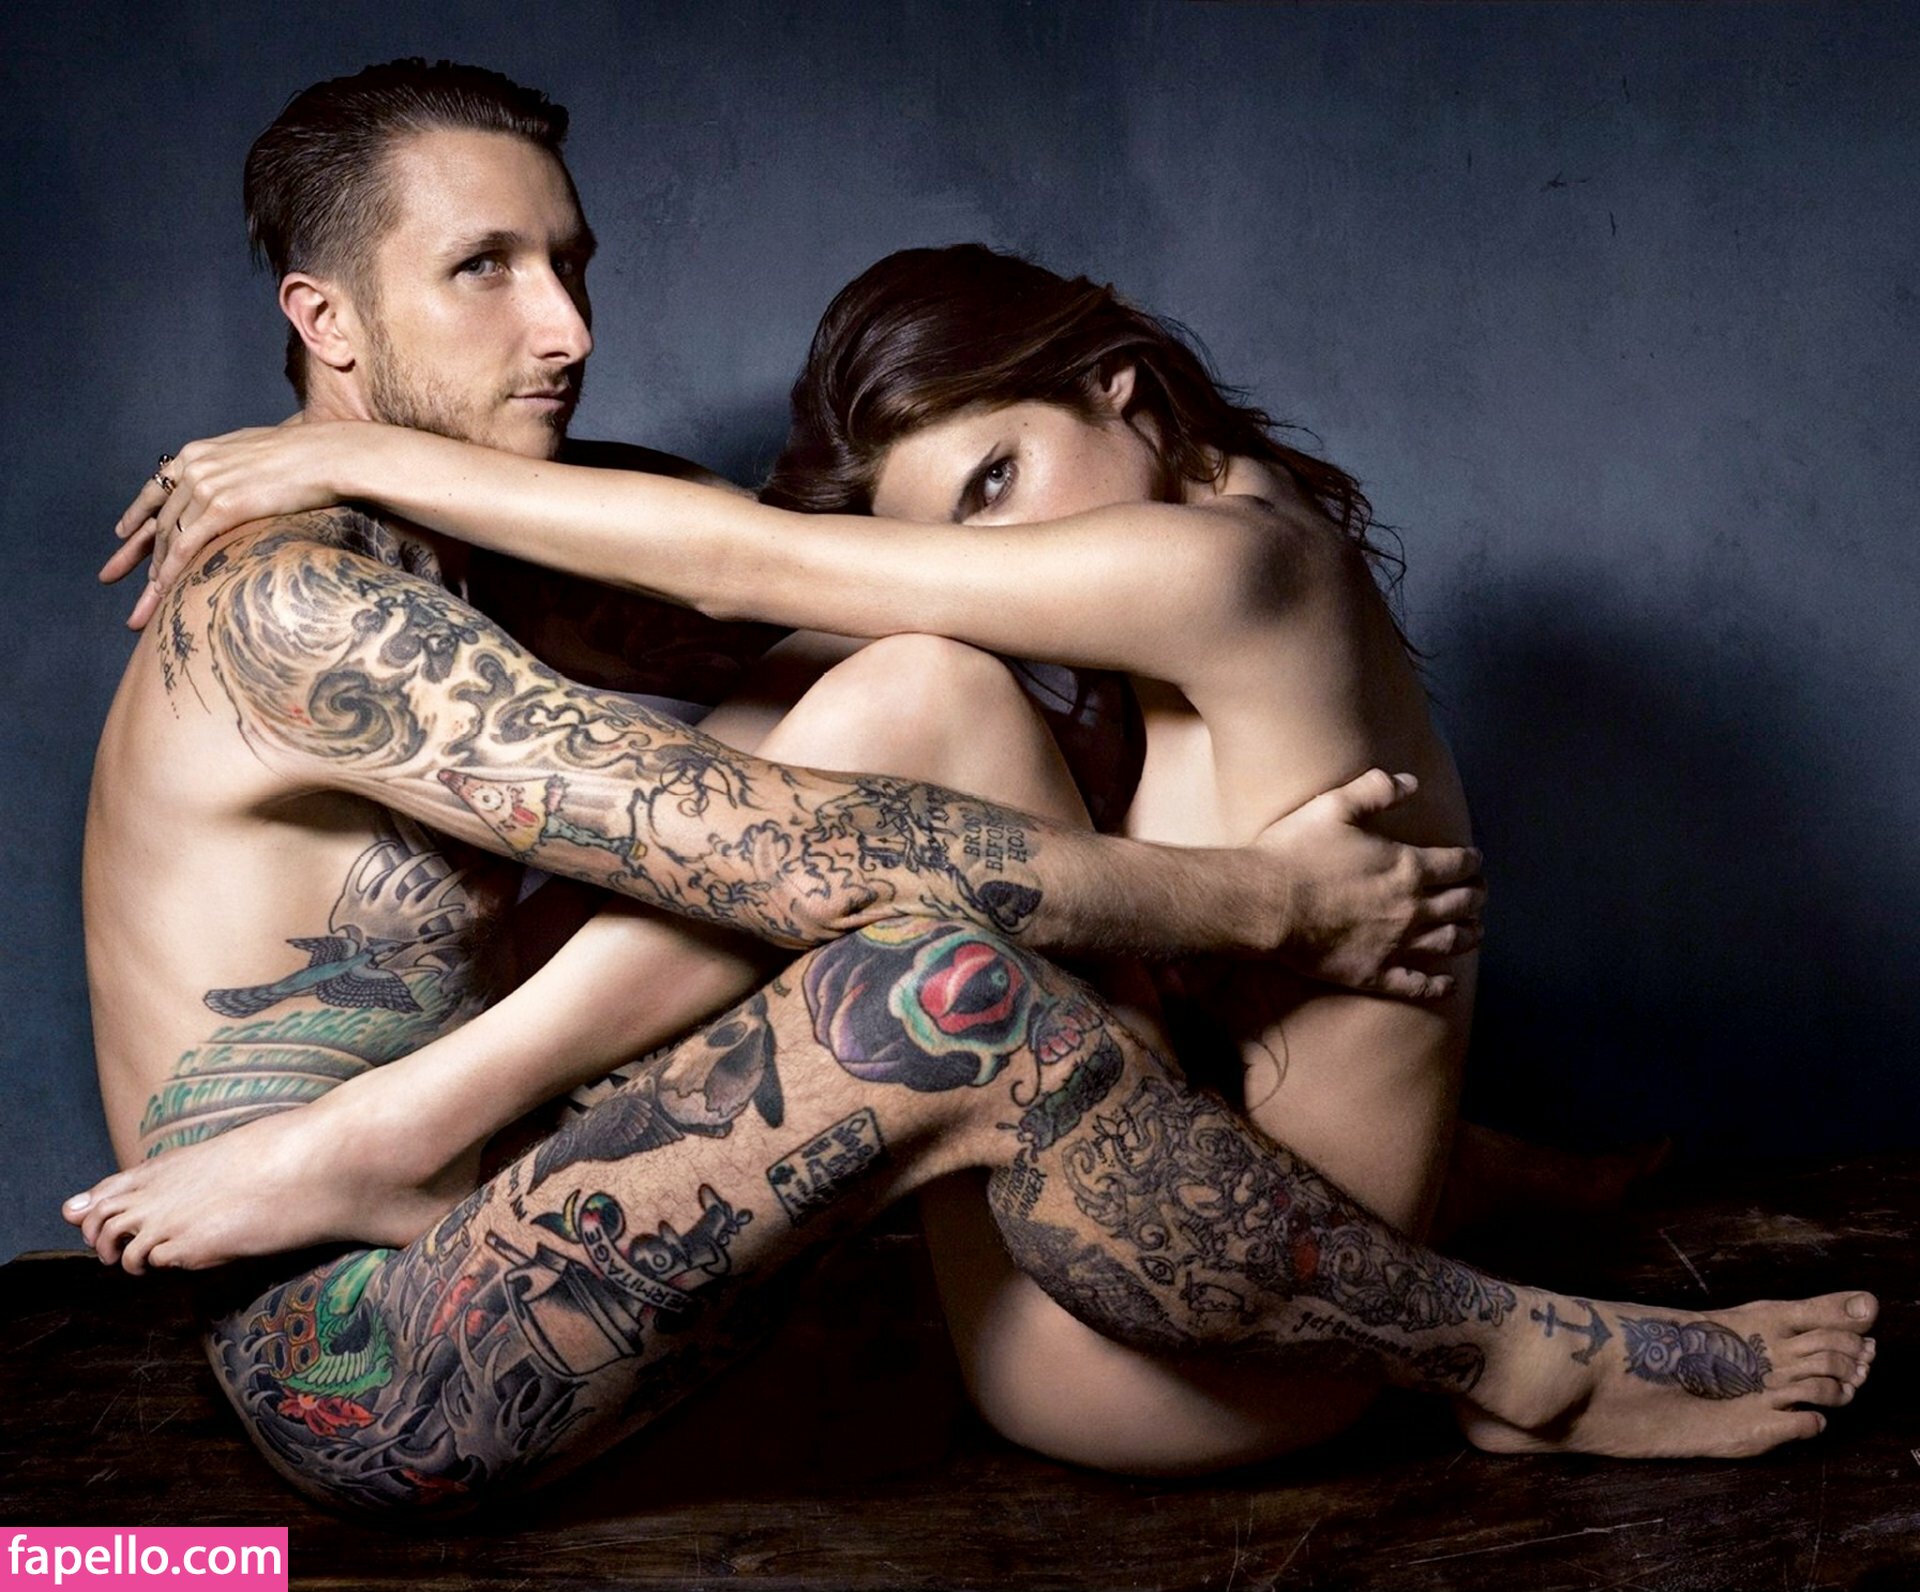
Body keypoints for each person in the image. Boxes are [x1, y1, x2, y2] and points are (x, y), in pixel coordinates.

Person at [73, 92, 1876, 1503]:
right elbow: (783, 849)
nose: (565, 327)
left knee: (929, 692)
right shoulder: (297, 601)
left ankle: (1408, 1174)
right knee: (934, 976)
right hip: (366, 1342)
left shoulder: (502, 523)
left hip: (562, 1232)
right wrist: (1277, 901)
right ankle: (1520, 1358)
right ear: (323, 318)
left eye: (574, 261)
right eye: (485, 268)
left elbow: (826, 618)